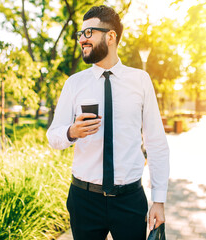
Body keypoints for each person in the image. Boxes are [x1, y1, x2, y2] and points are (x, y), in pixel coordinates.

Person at [47, 5, 169, 240]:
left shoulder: (140, 81)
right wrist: (72, 132)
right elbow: (53, 137)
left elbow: (156, 143)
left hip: (130, 201)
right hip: (84, 200)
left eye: (88, 33)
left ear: (111, 36)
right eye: (80, 35)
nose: (82, 39)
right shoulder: (74, 83)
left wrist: (159, 201)